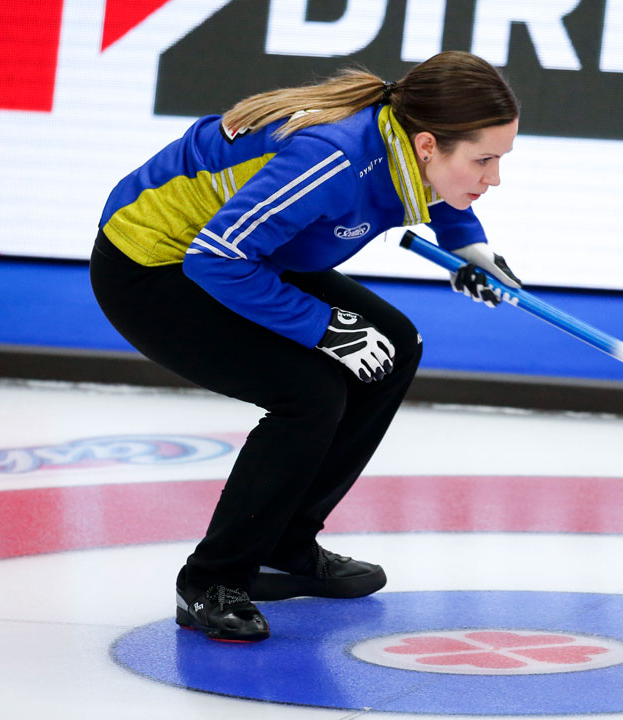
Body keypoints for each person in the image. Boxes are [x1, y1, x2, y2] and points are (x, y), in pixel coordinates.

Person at [89, 51, 523, 642]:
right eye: (484, 160)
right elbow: (216, 259)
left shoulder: (402, 141)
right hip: (155, 264)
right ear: (427, 145)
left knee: (394, 346)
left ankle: (282, 548)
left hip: (252, 253)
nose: (493, 177)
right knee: (310, 391)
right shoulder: (333, 159)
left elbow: (440, 190)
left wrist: (467, 249)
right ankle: (210, 582)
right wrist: (325, 327)